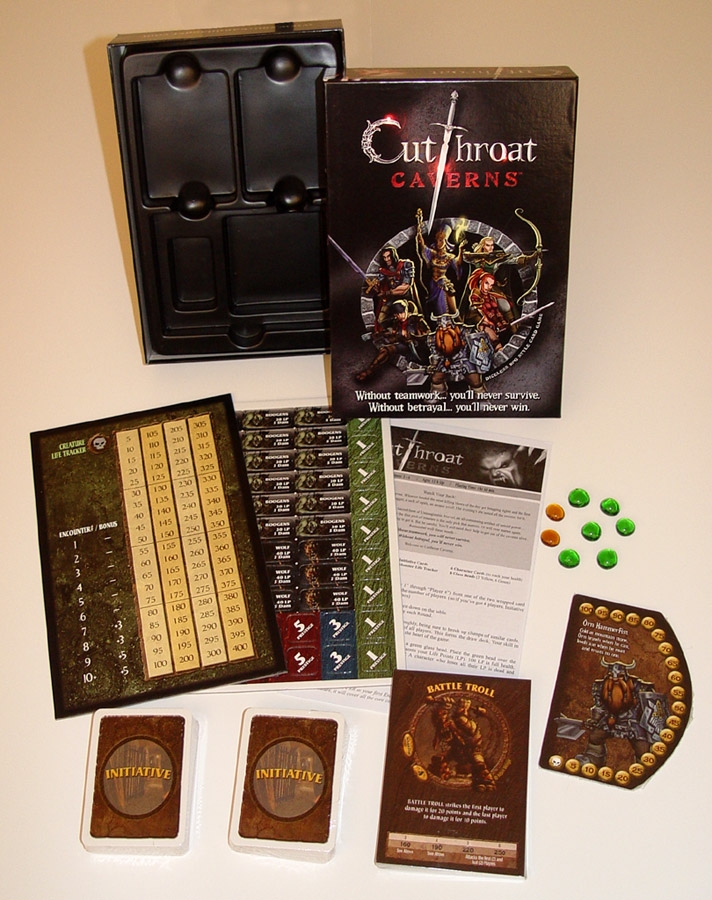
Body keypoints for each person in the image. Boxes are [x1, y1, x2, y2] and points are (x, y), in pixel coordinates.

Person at [416, 220, 465, 319]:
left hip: (443, 283)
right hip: (433, 284)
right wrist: (419, 232)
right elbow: (422, 246)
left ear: (446, 241)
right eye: (437, 240)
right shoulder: (433, 254)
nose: (438, 243)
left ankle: (451, 324)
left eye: (441, 240)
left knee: (446, 309)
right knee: (435, 309)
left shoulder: (449, 257)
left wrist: (460, 250)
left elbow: (458, 264)